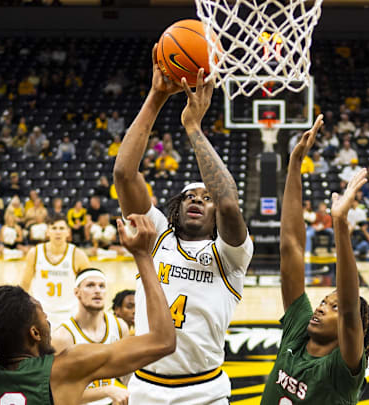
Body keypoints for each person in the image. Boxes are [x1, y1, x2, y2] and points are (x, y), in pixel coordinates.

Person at [113, 56, 253, 403]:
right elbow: (124, 175)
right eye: (190, 196)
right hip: (145, 386)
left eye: (206, 199)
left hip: (204, 391)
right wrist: (156, 97)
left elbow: (230, 204)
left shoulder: (230, 255)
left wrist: (193, 126)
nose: (196, 200)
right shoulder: (157, 234)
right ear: (176, 207)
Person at [0, 215, 176, 405]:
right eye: (44, 317)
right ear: (35, 332)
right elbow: (164, 341)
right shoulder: (64, 368)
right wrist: (143, 256)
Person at [262, 117, 369, 403]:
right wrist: (294, 164)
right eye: (325, 301)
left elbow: (351, 310)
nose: (322, 307)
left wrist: (340, 225)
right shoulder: (298, 333)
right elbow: (291, 248)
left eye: (333, 307)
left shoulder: (342, 369)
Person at [51, 268, 130, 405]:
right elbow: (57, 393)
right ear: (77, 292)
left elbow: (128, 375)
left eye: (102, 286)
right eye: (90, 285)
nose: (97, 290)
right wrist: (107, 391)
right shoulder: (62, 337)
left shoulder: (119, 327)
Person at [20, 214, 91, 328]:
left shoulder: (77, 255)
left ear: (68, 232)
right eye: (54, 228)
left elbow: (89, 286)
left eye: (61, 228)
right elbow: (24, 285)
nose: (58, 232)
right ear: (48, 231)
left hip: (70, 315)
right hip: (40, 314)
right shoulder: (35, 253)